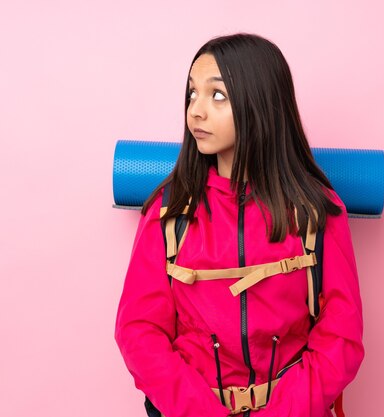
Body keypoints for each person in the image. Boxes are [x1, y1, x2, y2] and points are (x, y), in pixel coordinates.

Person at [114, 33, 365, 417]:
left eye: (217, 96)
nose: (195, 111)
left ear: (260, 104)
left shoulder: (317, 211)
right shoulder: (169, 212)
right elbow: (139, 332)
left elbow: (341, 338)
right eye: (191, 95)